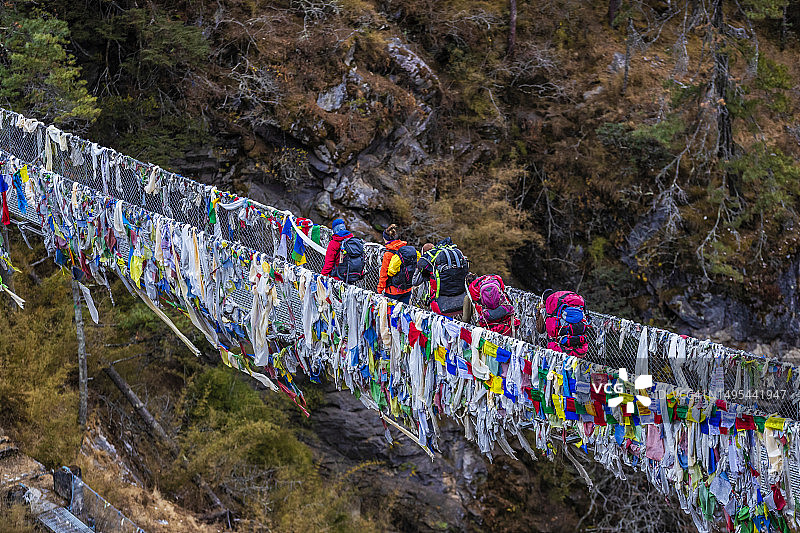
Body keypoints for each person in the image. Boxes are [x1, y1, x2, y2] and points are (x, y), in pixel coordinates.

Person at [413, 237, 469, 318]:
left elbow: (415, 282)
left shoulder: (429, 264)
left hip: (440, 306)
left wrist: (418, 268)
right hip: (460, 304)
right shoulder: (456, 262)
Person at [536, 289, 591, 357]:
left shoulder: (550, 307)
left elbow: (541, 330)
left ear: (544, 302)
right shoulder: (562, 301)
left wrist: (539, 312)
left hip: (559, 348)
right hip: (579, 347)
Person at [377, 224, 418, 305]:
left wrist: (379, 290)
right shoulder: (406, 249)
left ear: (385, 239)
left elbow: (383, 274)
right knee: (403, 313)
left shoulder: (388, 254)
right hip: (407, 289)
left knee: (391, 314)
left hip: (392, 291)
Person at [321, 218, 364, 282]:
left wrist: (323, 275)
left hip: (338, 276)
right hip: (353, 274)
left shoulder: (334, 243)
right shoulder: (353, 240)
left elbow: (329, 262)